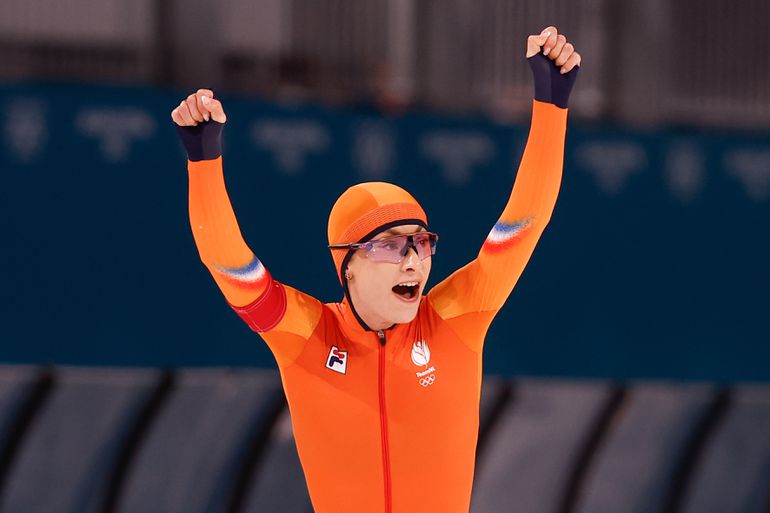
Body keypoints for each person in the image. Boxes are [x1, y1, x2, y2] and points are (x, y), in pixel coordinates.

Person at [172, 26, 580, 513]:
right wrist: (203, 160)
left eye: (421, 243)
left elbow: (525, 221)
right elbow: (228, 263)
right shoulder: (307, 336)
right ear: (347, 265)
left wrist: (551, 104)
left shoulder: (457, 318)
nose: (412, 260)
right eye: (389, 246)